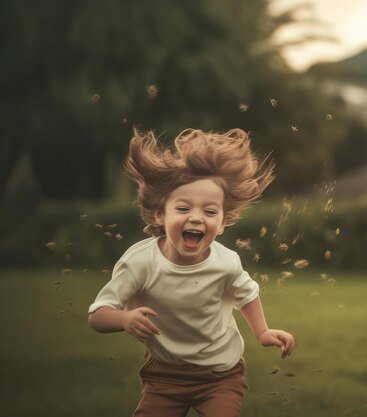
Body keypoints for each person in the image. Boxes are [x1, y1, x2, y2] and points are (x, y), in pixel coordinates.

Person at [88, 127, 295, 417]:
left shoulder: (226, 263)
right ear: (161, 214)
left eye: (210, 212)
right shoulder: (140, 262)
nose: (196, 217)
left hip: (220, 375)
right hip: (164, 376)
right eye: (183, 208)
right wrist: (123, 318)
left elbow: (247, 294)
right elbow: (97, 315)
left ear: (223, 223)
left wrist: (262, 332)